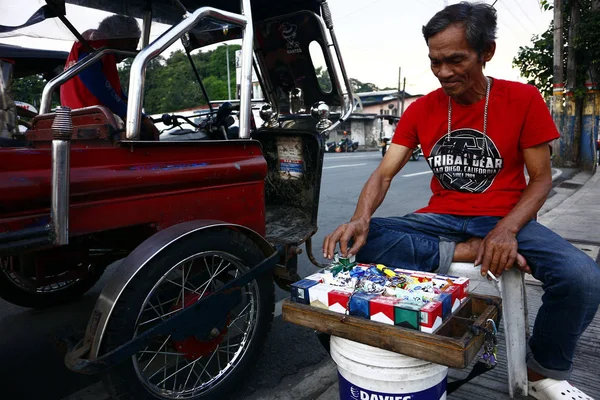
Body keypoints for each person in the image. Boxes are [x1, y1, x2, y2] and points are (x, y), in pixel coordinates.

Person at [322, 2, 600, 399]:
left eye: (455, 60)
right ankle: (466, 252)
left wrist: (506, 231)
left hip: (505, 219)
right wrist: (360, 218)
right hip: (440, 219)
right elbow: (384, 173)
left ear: (486, 52)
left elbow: (540, 179)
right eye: (435, 61)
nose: (443, 72)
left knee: (582, 278)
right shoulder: (421, 109)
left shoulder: (522, 99)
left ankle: (542, 373)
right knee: (361, 239)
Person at [60, 15, 158, 139]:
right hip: (89, 126)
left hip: (86, 122)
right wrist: (128, 114)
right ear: (118, 37)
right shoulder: (96, 47)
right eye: (130, 43)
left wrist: (142, 116)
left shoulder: (104, 56)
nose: (131, 50)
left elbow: (115, 94)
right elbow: (90, 76)